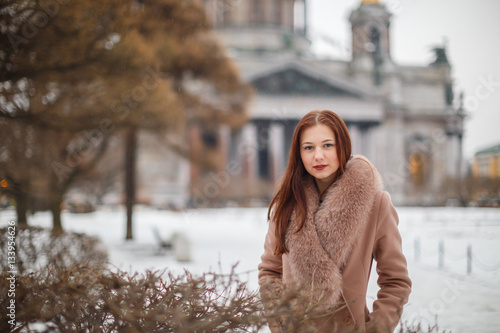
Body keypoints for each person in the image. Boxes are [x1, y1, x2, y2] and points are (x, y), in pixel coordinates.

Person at [258, 110, 411, 332]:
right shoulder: (286, 204)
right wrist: (281, 323)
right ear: (299, 154)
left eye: (328, 145)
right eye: (308, 147)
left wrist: (376, 328)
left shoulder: (376, 203)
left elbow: (396, 281)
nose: (318, 156)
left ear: (343, 147)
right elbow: (270, 273)